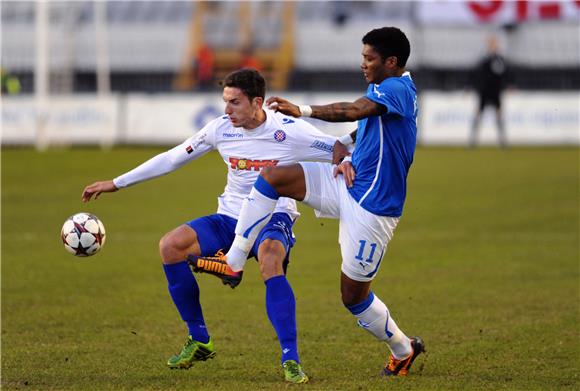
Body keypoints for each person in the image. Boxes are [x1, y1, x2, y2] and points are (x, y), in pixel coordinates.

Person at [193, 27, 425, 378]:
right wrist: (342, 147)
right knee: (273, 177)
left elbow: (353, 110)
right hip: (347, 182)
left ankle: (403, 349)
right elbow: (365, 124)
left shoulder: (396, 88)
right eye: (362, 56)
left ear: (391, 62)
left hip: (373, 208)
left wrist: (300, 110)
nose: (362, 63)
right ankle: (234, 261)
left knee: (354, 297)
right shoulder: (387, 86)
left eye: (369, 58)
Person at [81, 68, 338, 384]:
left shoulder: (290, 131)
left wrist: (352, 167)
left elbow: (338, 148)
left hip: (274, 217)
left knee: (271, 260)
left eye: (235, 103)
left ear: (257, 102)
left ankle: (291, 359)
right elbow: (173, 158)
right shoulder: (221, 129)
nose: (227, 110)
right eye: (225, 102)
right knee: (170, 246)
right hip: (228, 217)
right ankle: (199, 338)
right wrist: (117, 183)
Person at [470, 36, 509, 148]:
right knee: (478, 114)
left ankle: (503, 141)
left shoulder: (500, 60)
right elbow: (477, 76)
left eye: (494, 44)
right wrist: (476, 87)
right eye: (491, 44)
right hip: (484, 91)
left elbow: (506, 75)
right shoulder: (484, 61)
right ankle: (473, 140)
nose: (492, 46)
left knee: (499, 115)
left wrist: (507, 86)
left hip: (496, 92)